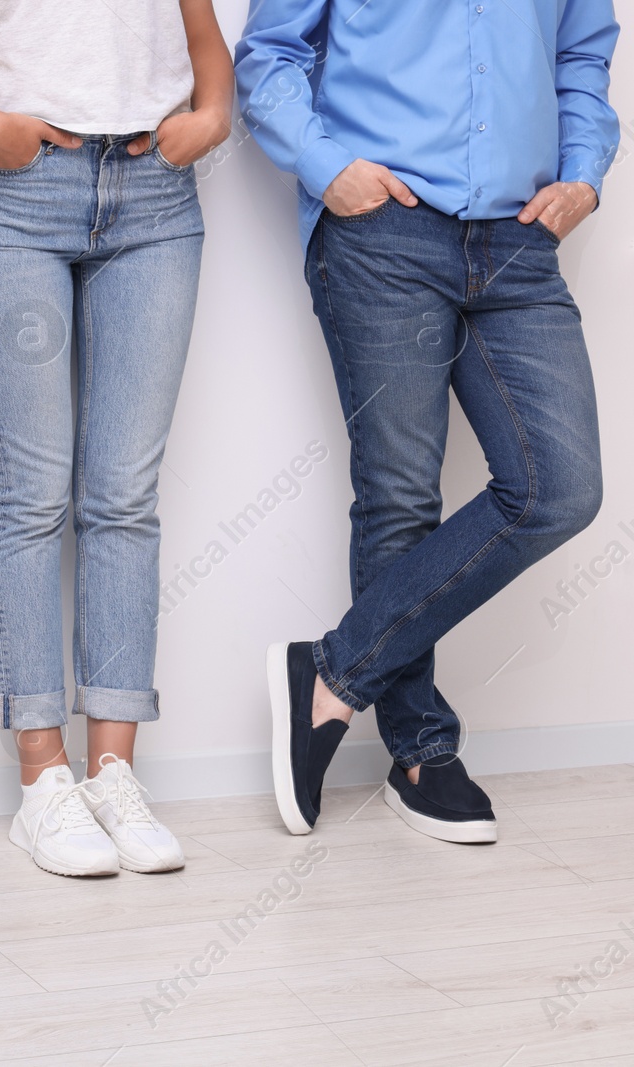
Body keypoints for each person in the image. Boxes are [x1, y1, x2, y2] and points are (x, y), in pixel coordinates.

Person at [237, 0, 619, 843]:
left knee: (560, 487)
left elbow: (584, 54)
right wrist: (327, 165)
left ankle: (332, 672)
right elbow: (267, 56)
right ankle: (420, 750)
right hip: (385, 228)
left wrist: (585, 173)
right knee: (400, 494)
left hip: (520, 237)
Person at [0, 0, 233, 876]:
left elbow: (205, 45)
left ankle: (116, 771)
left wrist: (212, 119)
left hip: (155, 197)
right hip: (15, 199)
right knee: (31, 495)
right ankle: (43, 782)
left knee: (123, 497)